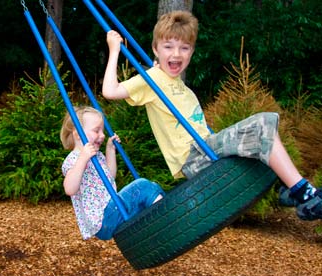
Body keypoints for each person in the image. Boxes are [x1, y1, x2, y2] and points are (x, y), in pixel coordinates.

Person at [102, 10, 322, 220]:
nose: (176, 54)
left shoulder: (183, 89)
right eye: (168, 46)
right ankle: (302, 192)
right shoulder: (152, 79)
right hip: (194, 157)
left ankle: (286, 188)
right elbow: (110, 91)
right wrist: (114, 51)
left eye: (184, 48)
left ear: (192, 52)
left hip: (206, 150)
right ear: (155, 49)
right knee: (263, 123)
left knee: (262, 139)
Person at [61, 106, 165, 240]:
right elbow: (69, 188)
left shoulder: (96, 155)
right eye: (96, 130)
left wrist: (110, 150)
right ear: (77, 134)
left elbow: (109, 177)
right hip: (103, 218)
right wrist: (83, 159)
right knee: (143, 186)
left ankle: (155, 231)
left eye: (102, 131)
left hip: (111, 212)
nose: (102, 135)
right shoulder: (74, 159)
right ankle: (165, 218)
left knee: (147, 195)